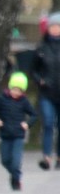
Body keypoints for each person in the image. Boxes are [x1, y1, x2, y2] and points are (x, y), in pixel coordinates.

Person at [0, 71, 36, 190]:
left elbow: (33, 114)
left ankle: (16, 179)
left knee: (16, 161)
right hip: (5, 134)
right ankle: (15, 174)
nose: (16, 93)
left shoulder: (24, 101)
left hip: (18, 135)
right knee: (5, 160)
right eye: (14, 89)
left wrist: (27, 124)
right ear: (10, 87)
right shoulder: (2, 99)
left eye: (19, 90)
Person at [30, 13, 60, 170]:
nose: (55, 30)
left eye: (58, 27)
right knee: (48, 123)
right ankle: (46, 157)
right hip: (47, 93)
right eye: (52, 27)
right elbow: (33, 69)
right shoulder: (41, 48)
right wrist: (39, 80)